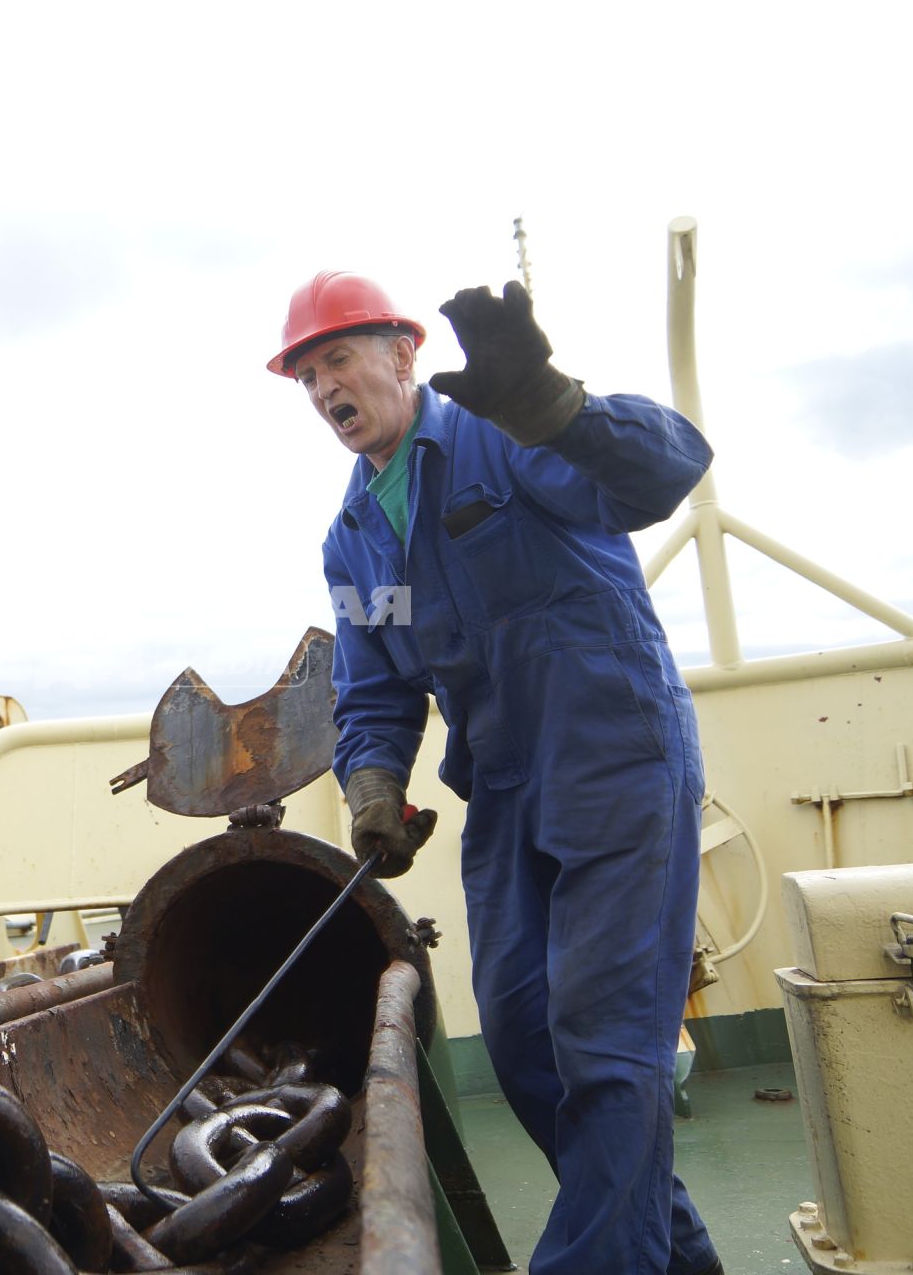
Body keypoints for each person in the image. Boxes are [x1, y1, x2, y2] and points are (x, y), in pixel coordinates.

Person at [268, 272, 723, 1275]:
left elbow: (659, 470)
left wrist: (551, 405)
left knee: (601, 1042)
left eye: (336, 357)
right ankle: (673, 1256)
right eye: (305, 375)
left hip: (613, 755)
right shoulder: (353, 536)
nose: (322, 387)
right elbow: (375, 686)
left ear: (402, 353)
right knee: (522, 1045)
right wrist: (373, 788)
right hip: (505, 788)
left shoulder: (504, 432)